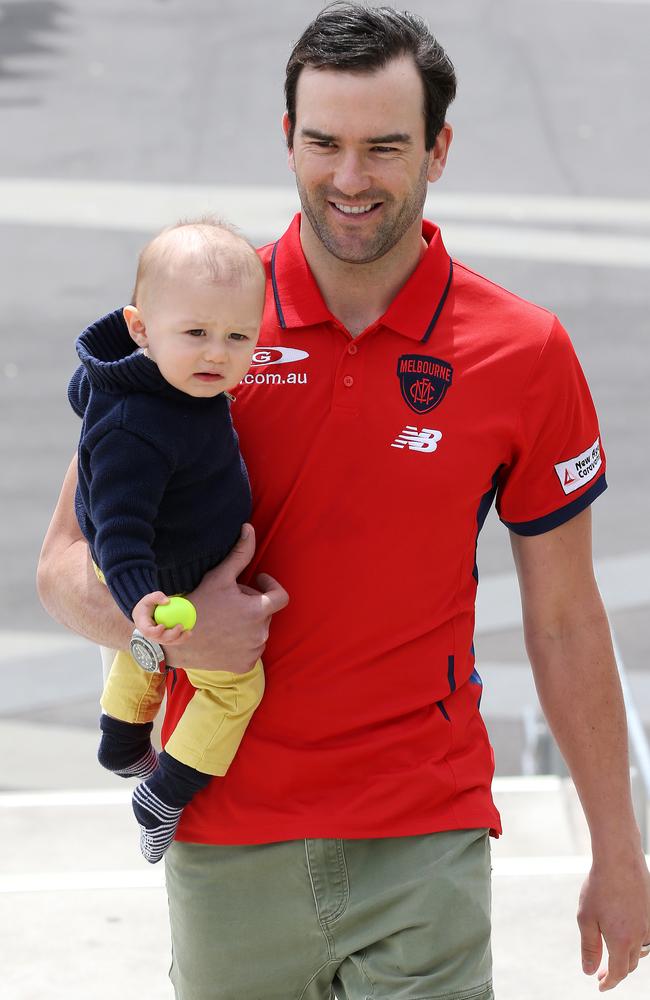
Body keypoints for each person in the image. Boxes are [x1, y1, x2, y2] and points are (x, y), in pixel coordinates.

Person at [38, 3, 650, 998]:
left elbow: (567, 618)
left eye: (383, 147)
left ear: (437, 149)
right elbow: (63, 565)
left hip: (424, 833)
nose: (349, 177)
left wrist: (619, 851)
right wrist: (176, 635)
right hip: (226, 832)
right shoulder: (197, 319)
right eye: (321, 142)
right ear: (287, 139)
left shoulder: (524, 353)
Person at [67, 218, 266, 863]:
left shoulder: (158, 380)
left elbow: (84, 392)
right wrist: (140, 601)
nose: (218, 354)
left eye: (239, 336)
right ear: (140, 328)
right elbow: (120, 528)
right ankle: (165, 791)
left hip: (167, 565)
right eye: (197, 334)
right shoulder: (137, 427)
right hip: (157, 573)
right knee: (233, 687)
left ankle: (121, 742)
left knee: (142, 660)